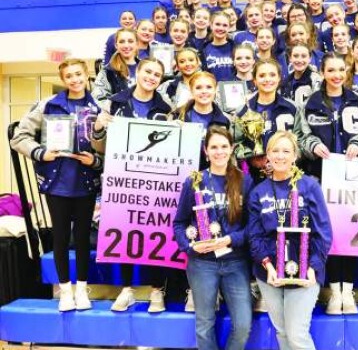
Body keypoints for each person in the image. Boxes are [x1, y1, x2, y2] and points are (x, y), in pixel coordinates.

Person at [11, 59, 102, 312]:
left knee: (82, 239)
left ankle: (82, 290)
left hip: (86, 183)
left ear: (87, 76)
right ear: (63, 80)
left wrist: (95, 160)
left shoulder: (99, 107)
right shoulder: (47, 106)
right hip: (57, 183)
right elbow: (19, 137)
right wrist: (40, 153)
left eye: (78, 74)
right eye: (69, 76)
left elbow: (108, 148)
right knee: (61, 239)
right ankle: (65, 291)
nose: (74, 79)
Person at [295, 52, 358, 315]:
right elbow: (300, 136)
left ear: (347, 71)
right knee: (327, 235)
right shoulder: (310, 103)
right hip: (320, 180)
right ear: (322, 72)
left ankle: (348, 290)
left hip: (353, 181)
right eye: (331, 70)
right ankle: (334, 290)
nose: (336, 75)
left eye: (341, 70)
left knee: (351, 233)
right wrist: (313, 146)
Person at [92, 58, 171, 313]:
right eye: (148, 71)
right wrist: (99, 128)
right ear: (138, 72)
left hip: (154, 180)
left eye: (157, 74)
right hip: (122, 178)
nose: (151, 77)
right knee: (124, 233)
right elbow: (99, 147)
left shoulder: (164, 107)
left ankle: (157, 291)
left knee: (155, 233)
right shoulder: (115, 102)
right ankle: (126, 290)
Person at [247, 131, 332, 350]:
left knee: (296, 334)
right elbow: (254, 235)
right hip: (270, 274)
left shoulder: (309, 186)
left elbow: (323, 232)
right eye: (275, 150)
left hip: (305, 271)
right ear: (267, 155)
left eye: (286, 151)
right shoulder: (258, 192)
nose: (280, 156)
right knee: (282, 332)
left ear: (295, 156)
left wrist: (312, 266)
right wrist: (267, 265)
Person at [173, 126, 253, 350]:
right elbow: (179, 223)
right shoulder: (195, 181)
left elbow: (252, 228)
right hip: (202, 264)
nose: (219, 152)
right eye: (214, 147)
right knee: (204, 323)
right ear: (205, 151)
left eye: (224, 146)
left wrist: (230, 240)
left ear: (232, 149)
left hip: (236, 262)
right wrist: (189, 247)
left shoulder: (244, 181)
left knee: (244, 324)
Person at [234, 59, 296, 183]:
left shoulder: (292, 108)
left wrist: (282, 160)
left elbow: (300, 139)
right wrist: (251, 157)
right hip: (252, 177)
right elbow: (236, 143)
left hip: (287, 175)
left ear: (279, 78)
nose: (267, 79)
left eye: (272, 75)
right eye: (262, 76)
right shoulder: (243, 110)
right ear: (254, 80)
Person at [92, 28, 139, 108]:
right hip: (118, 118)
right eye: (122, 42)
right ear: (116, 45)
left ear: (137, 44)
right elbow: (98, 98)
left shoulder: (146, 68)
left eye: (130, 41)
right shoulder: (107, 71)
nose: (126, 45)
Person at [280, 43, 322, 107]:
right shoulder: (285, 82)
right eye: (296, 56)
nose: (299, 60)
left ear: (309, 58)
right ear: (290, 58)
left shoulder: (316, 80)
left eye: (304, 56)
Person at [202, 12, 235, 82]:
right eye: (217, 24)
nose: (221, 28)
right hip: (212, 90)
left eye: (225, 25)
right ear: (211, 25)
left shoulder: (235, 47)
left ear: (229, 28)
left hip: (233, 89)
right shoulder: (204, 49)